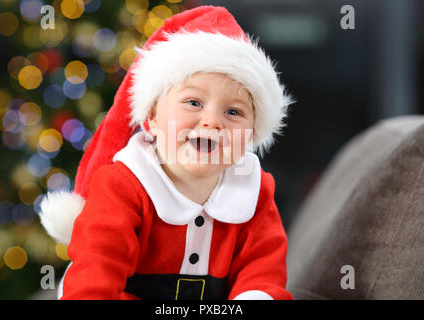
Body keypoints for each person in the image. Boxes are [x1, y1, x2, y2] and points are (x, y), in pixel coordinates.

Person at [39, 5, 294, 300]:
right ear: (152, 119)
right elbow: (96, 271)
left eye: (234, 111)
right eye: (194, 103)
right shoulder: (123, 183)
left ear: (250, 135)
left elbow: (263, 274)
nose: (212, 121)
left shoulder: (253, 191)